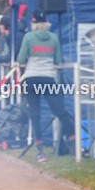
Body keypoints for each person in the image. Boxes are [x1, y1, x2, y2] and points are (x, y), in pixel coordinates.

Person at [16, 12, 76, 161]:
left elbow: (21, 58)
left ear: (34, 24)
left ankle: (40, 151)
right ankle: (75, 142)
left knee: (35, 115)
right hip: (48, 78)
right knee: (60, 112)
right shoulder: (54, 38)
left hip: (31, 79)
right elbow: (58, 60)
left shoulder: (28, 37)